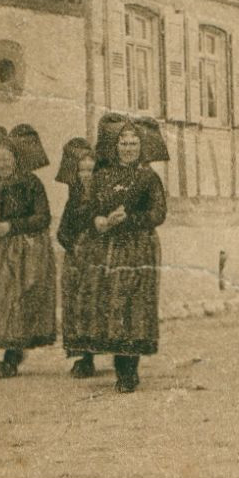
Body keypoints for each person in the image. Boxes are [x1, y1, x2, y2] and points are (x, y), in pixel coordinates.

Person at [75, 120, 167, 393]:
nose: (128, 149)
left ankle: (129, 371)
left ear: (142, 147)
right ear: (115, 147)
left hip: (139, 247)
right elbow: (89, 208)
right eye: (124, 144)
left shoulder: (148, 178)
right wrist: (99, 220)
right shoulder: (103, 176)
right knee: (112, 303)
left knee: (133, 305)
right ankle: (120, 367)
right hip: (108, 248)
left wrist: (128, 219)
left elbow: (158, 214)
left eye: (133, 144)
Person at [0, 130, 56, 377]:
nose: (1, 164)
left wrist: (13, 226)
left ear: (15, 158)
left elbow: (42, 217)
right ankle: (8, 352)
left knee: (17, 300)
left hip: (23, 249)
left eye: (5, 158)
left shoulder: (30, 182)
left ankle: (12, 356)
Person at [55, 137, 100, 377]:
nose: (85, 175)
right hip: (76, 258)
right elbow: (62, 230)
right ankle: (84, 356)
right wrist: (71, 243)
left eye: (90, 170)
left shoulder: (103, 196)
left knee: (94, 303)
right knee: (75, 304)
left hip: (97, 258)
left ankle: (95, 353)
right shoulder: (73, 198)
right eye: (81, 170)